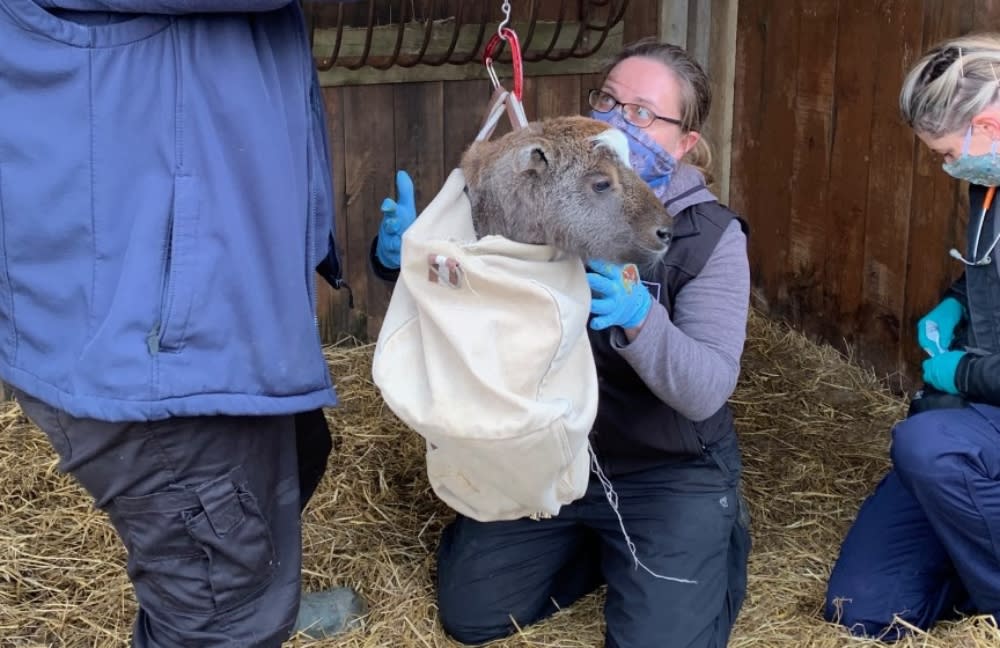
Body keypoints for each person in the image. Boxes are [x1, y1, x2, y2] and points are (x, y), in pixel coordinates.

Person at [0, 1, 366, 645]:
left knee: (294, 462)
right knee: (220, 609)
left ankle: (260, 589)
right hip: (144, 323)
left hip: (201, 289)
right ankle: (238, 606)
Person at [373, 38, 753, 648]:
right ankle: (603, 554)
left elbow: (707, 387)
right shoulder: (544, 191)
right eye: (608, 98)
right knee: (472, 614)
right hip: (549, 453)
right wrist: (415, 258)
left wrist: (640, 318)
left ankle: (699, 542)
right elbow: (474, 295)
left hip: (663, 468)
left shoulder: (709, 237)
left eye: (643, 113)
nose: (615, 119)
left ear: (686, 143)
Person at [824, 32, 1000, 641]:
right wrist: (951, 306)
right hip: (980, 421)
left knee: (928, 445)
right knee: (863, 612)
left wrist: (962, 373)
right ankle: (966, 547)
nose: (944, 164)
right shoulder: (991, 184)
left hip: (981, 416)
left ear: (989, 127)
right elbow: (986, 273)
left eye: (945, 151)